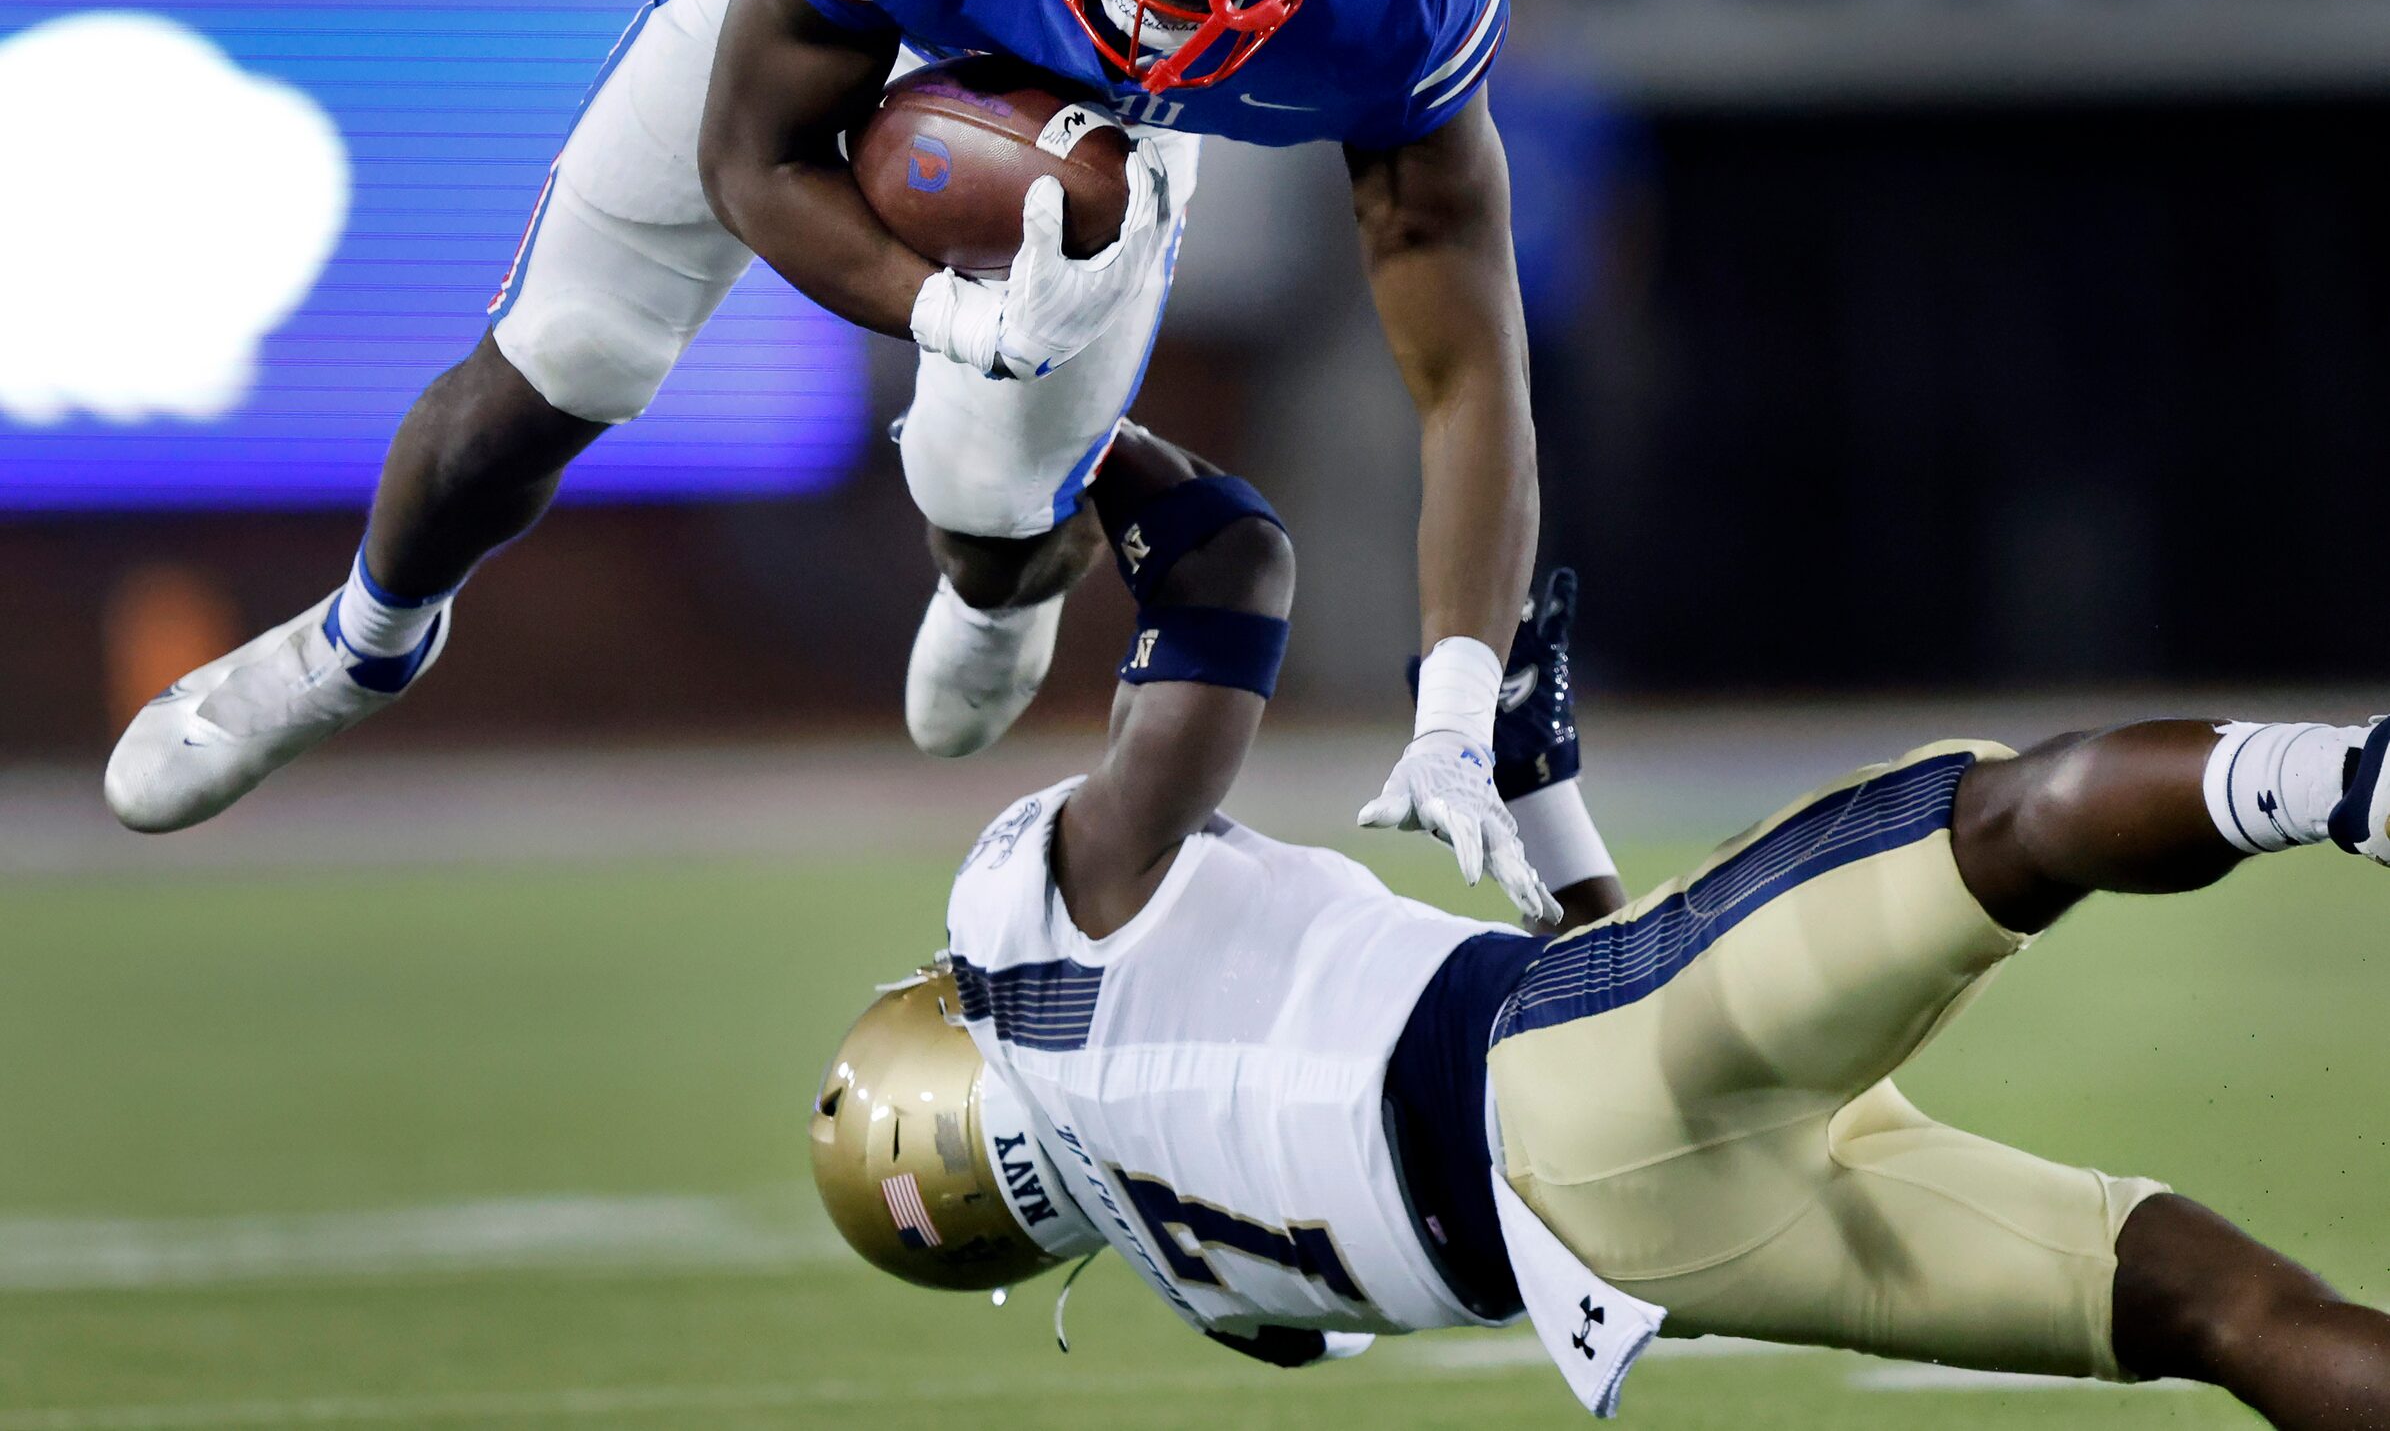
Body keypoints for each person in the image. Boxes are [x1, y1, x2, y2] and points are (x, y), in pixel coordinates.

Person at [105, 0, 1555, 919]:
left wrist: (1454, 704)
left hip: (1100, 127)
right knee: (566, 351)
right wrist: (944, 312)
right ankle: (360, 641)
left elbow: (1468, 359)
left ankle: (999, 589)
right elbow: (752, 159)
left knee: (992, 497)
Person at [811, 424, 2390, 1425]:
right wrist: (1037, 420)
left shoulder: (1221, 1297)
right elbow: (1228, 573)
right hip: (1575, 1088)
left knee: (2223, 1314)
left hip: (1665, 1239)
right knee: (2002, 820)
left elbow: (1578, 1129)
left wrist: (1551, 814)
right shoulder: (1030, 949)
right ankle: (2360, 781)